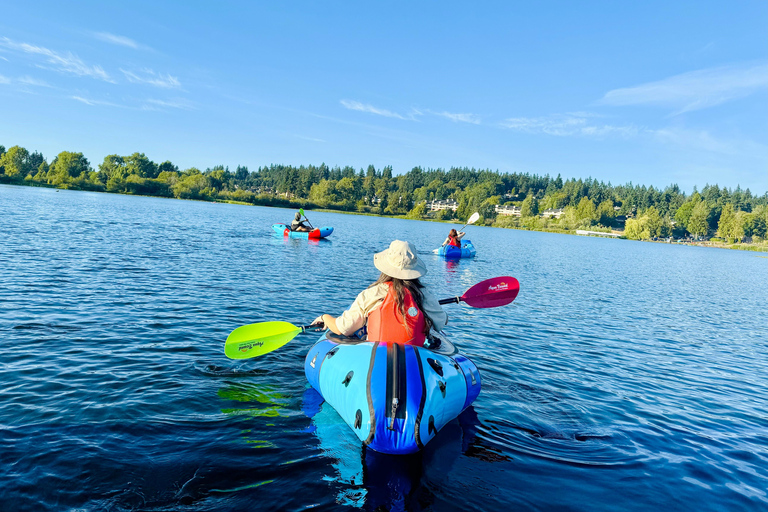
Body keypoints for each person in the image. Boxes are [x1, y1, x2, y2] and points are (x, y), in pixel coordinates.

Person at [312, 240, 448, 346]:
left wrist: (324, 318)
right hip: (414, 360)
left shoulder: (372, 294)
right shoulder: (425, 295)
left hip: (377, 357)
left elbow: (342, 329)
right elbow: (441, 323)